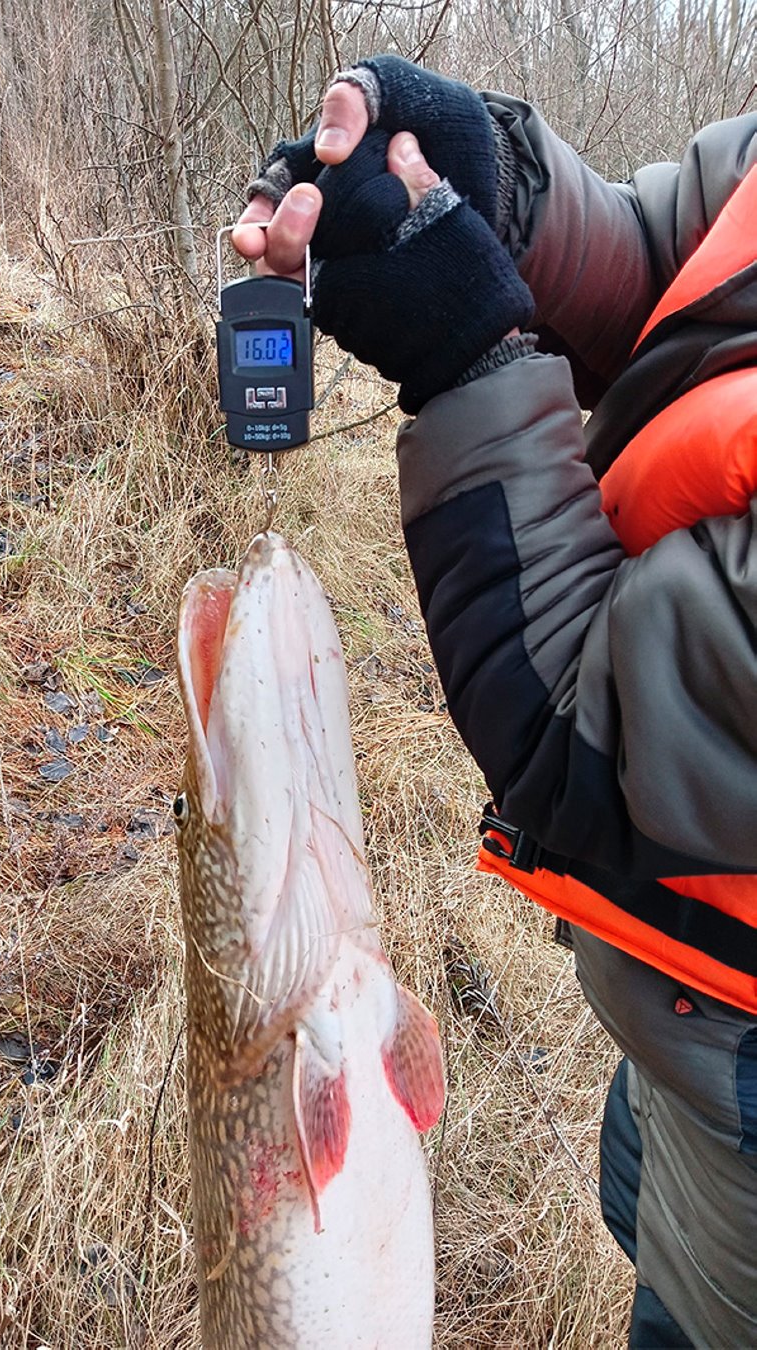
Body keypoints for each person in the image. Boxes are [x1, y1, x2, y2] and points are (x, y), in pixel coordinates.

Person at [232, 58, 757, 1349]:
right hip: (682, 1017)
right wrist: (477, 182)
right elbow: (681, 271)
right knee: (652, 1218)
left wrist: (471, 354)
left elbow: (599, 732)